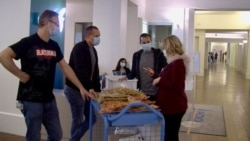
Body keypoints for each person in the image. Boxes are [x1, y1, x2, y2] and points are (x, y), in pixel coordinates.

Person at [0, 10, 94, 141]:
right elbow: (4, 56)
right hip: (30, 99)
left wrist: (81, 88)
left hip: (49, 99)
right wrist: (20, 75)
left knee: (56, 134)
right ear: (46, 22)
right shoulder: (28, 42)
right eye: (56, 23)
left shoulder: (53, 45)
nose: (58, 27)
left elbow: (65, 67)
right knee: (34, 136)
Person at [64, 25, 101, 141]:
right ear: (88, 36)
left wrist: (97, 89)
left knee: (92, 118)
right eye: (96, 36)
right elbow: (80, 70)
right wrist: (89, 87)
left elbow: (95, 71)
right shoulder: (79, 48)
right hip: (74, 90)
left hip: (87, 90)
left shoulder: (93, 50)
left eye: (99, 36)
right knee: (78, 118)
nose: (99, 38)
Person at [152, 35, 190, 141]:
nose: (163, 50)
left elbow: (175, 85)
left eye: (164, 47)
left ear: (169, 47)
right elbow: (167, 80)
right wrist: (155, 75)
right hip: (170, 106)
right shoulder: (173, 63)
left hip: (174, 107)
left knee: (171, 135)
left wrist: (159, 80)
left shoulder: (177, 63)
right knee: (168, 134)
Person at [121, 33, 166, 101]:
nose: (146, 44)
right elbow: (134, 72)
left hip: (156, 90)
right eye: (144, 43)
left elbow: (166, 67)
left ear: (151, 41)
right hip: (142, 92)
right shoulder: (136, 55)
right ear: (140, 43)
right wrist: (127, 77)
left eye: (148, 42)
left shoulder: (158, 53)